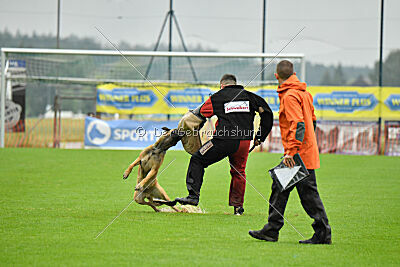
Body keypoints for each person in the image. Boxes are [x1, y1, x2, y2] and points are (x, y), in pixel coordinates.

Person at [248, 60, 332, 244]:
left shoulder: (290, 96)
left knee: (308, 196)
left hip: (298, 156)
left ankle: (321, 233)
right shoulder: (304, 93)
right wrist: (306, 145)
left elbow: (298, 124)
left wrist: (292, 151)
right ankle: (272, 229)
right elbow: (313, 121)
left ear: (276, 76)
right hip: (304, 153)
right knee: (280, 186)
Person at [176, 74, 273, 215]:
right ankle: (238, 207)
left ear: (221, 85)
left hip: (223, 141)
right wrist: (260, 136)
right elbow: (268, 114)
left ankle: (193, 196)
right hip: (244, 142)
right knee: (239, 172)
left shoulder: (217, 97)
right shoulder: (251, 97)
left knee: (197, 159)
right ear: (235, 84)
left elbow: (201, 114)